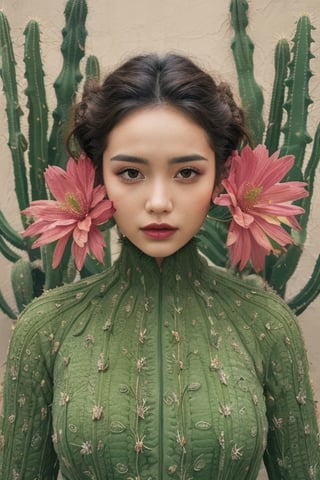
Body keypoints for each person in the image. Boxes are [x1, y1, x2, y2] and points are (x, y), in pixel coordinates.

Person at [0, 53, 319, 479]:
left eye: (187, 172)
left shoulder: (266, 324)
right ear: (98, 178)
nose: (158, 202)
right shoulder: (46, 327)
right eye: (131, 172)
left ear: (221, 177)